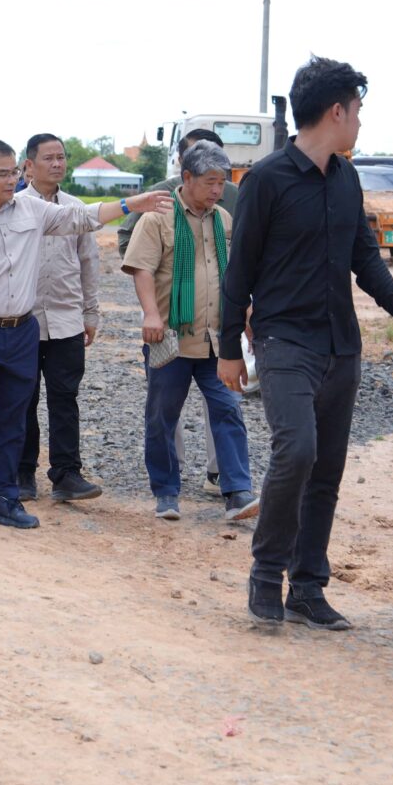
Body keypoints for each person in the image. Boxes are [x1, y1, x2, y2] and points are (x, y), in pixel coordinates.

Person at [220, 57, 393, 631]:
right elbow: (239, 271)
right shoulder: (266, 180)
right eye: (357, 110)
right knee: (297, 451)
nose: (360, 121)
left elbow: (365, 258)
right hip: (284, 340)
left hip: (341, 344)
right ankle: (267, 574)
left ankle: (308, 588)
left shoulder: (346, 178)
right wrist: (228, 349)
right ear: (336, 111)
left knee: (327, 471)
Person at [0, 140, 170, 529]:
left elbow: (81, 217)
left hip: (22, 329)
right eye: (2, 174)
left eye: (14, 173)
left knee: (14, 413)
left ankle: (2, 497)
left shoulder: (32, 210)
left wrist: (130, 204)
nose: (11, 180)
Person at [121, 139, 259, 524]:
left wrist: (248, 314)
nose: (217, 190)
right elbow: (142, 269)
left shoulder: (223, 220)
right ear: (187, 178)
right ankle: (166, 491)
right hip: (170, 337)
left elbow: (234, 275)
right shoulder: (158, 218)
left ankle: (237, 491)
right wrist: (151, 314)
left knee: (228, 409)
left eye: (222, 182)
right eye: (210, 182)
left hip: (216, 339)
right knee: (162, 416)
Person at [14, 133, 104, 504]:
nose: (57, 164)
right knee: (22, 399)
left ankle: (66, 474)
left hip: (67, 318)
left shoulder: (76, 209)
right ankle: (21, 473)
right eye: (48, 158)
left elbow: (88, 261)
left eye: (61, 157)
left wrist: (90, 312)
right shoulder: (15, 207)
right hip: (23, 319)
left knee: (65, 397)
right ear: (29, 165)